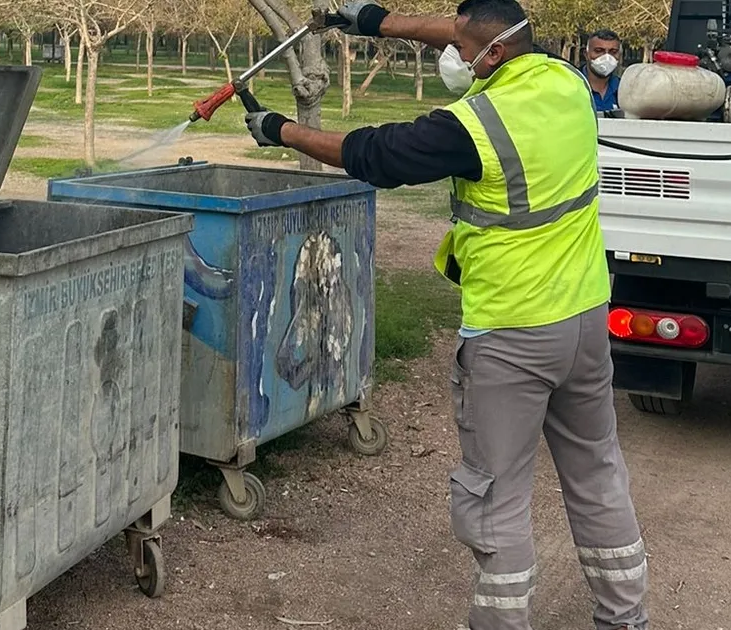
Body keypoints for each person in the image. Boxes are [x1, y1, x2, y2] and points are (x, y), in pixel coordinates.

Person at [241, 1, 648, 629]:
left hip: (512, 335)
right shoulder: (566, 82)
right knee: (598, 473)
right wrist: (369, 20)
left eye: (462, 47)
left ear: (493, 55)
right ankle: (625, 620)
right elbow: (464, 33)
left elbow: (373, 154)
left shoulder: (475, 125)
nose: (451, 55)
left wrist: (279, 129)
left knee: (498, 496)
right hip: (586, 321)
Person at [585, 29, 623, 112]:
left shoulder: (624, 90)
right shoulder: (572, 86)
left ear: (619, 56)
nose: (607, 57)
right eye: (599, 51)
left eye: (613, 52)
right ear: (586, 54)